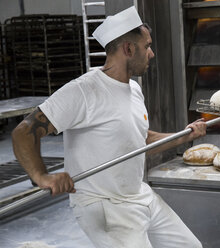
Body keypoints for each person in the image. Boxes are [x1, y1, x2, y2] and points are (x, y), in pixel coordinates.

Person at [12, 6, 206, 248]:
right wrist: (41, 176)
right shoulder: (83, 91)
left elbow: (140, 140)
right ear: (128, 49)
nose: (152, 53)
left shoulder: (134, 89)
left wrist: (184, 136)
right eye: (147, 46)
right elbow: (24, 131)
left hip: (138, 194)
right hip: (104, 204)